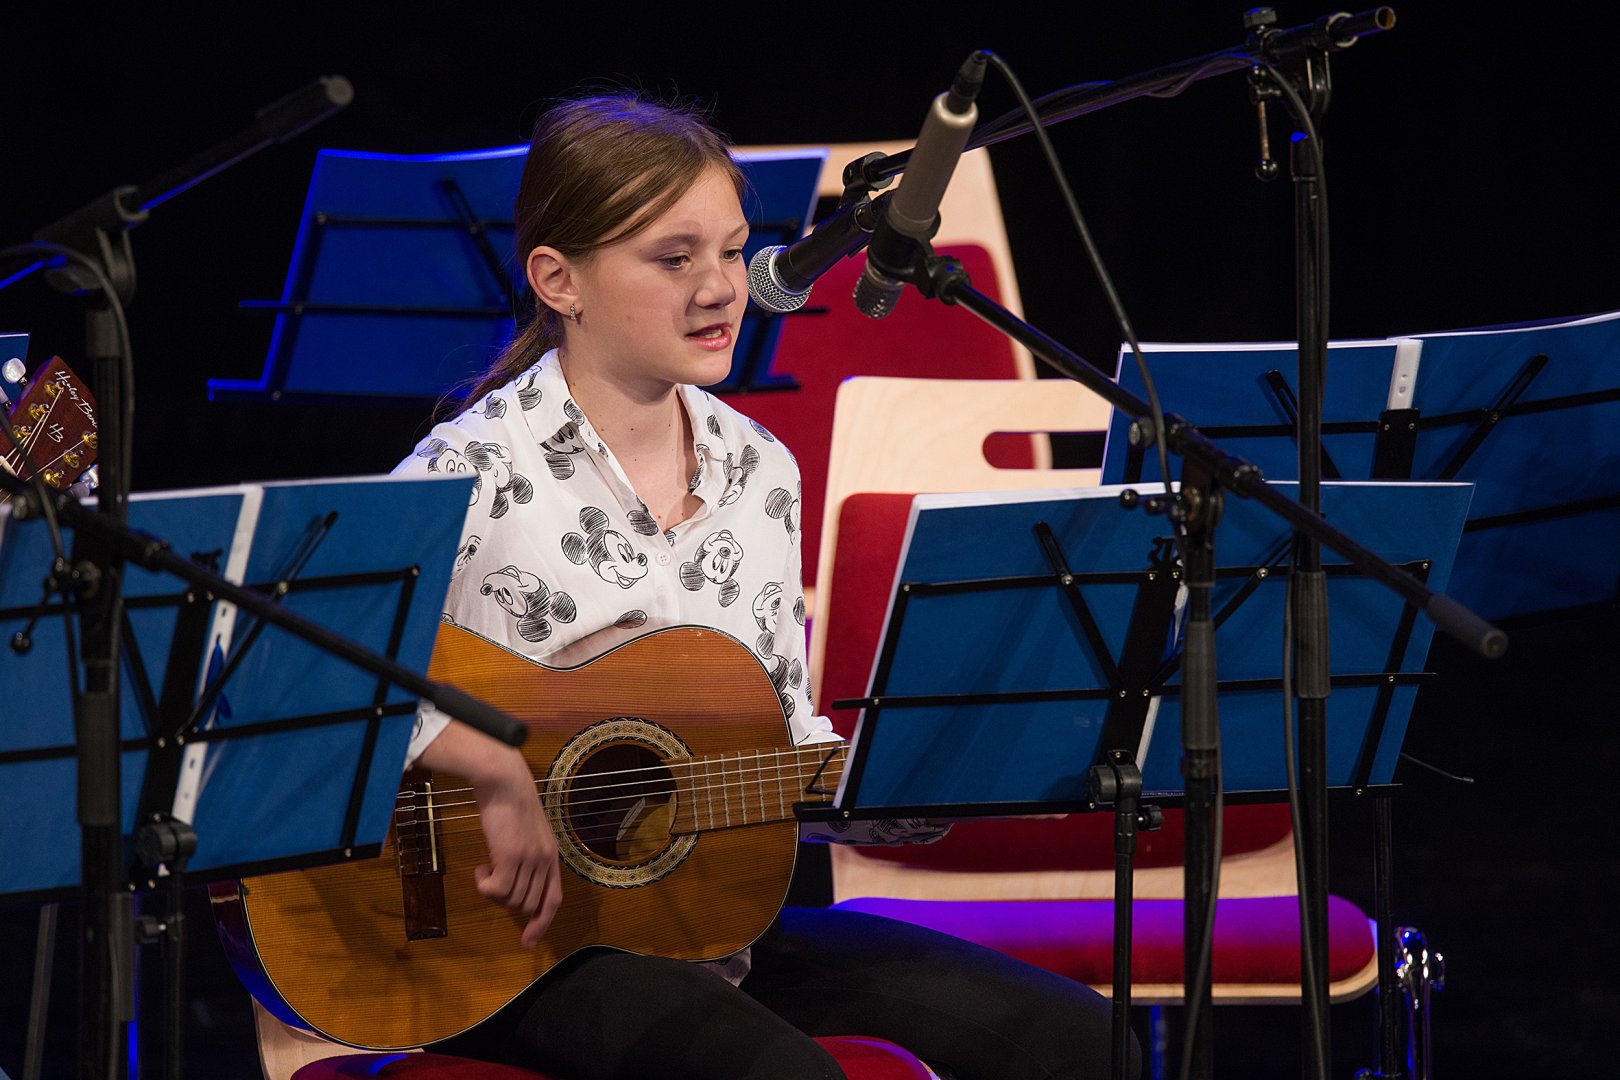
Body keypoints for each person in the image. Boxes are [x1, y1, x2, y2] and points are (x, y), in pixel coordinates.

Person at [392, 92, 1134, 1080]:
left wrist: (905, 787)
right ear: (558, 279)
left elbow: (778, 746)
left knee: (1086, 1044)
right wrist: (487, 763)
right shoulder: (467, 471)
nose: (721, 289)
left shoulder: (760, 470)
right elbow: (304, 685)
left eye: (734, 252)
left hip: (704, 928)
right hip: (510, 947)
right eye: (674, 259)